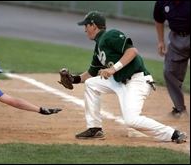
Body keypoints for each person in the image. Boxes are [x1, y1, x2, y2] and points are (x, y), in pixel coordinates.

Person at [58, 11, 187, 143]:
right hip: (119, 81)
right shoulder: (98, 48)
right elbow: (90, 73)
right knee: (91, 84)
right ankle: (95, 128)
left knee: (131, 120)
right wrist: (73, 79)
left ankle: (173, 134)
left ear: (94, 26)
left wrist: (113, 69)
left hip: (137, 81)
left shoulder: (110, 35)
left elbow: (132, 51)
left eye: (86, 25)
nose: (84, 29)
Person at [153, 1, 190, 118]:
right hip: (176, 38)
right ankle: (180, 110)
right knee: (169, 72)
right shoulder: (162, 2)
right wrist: (160, 41)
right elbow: (159, 20)